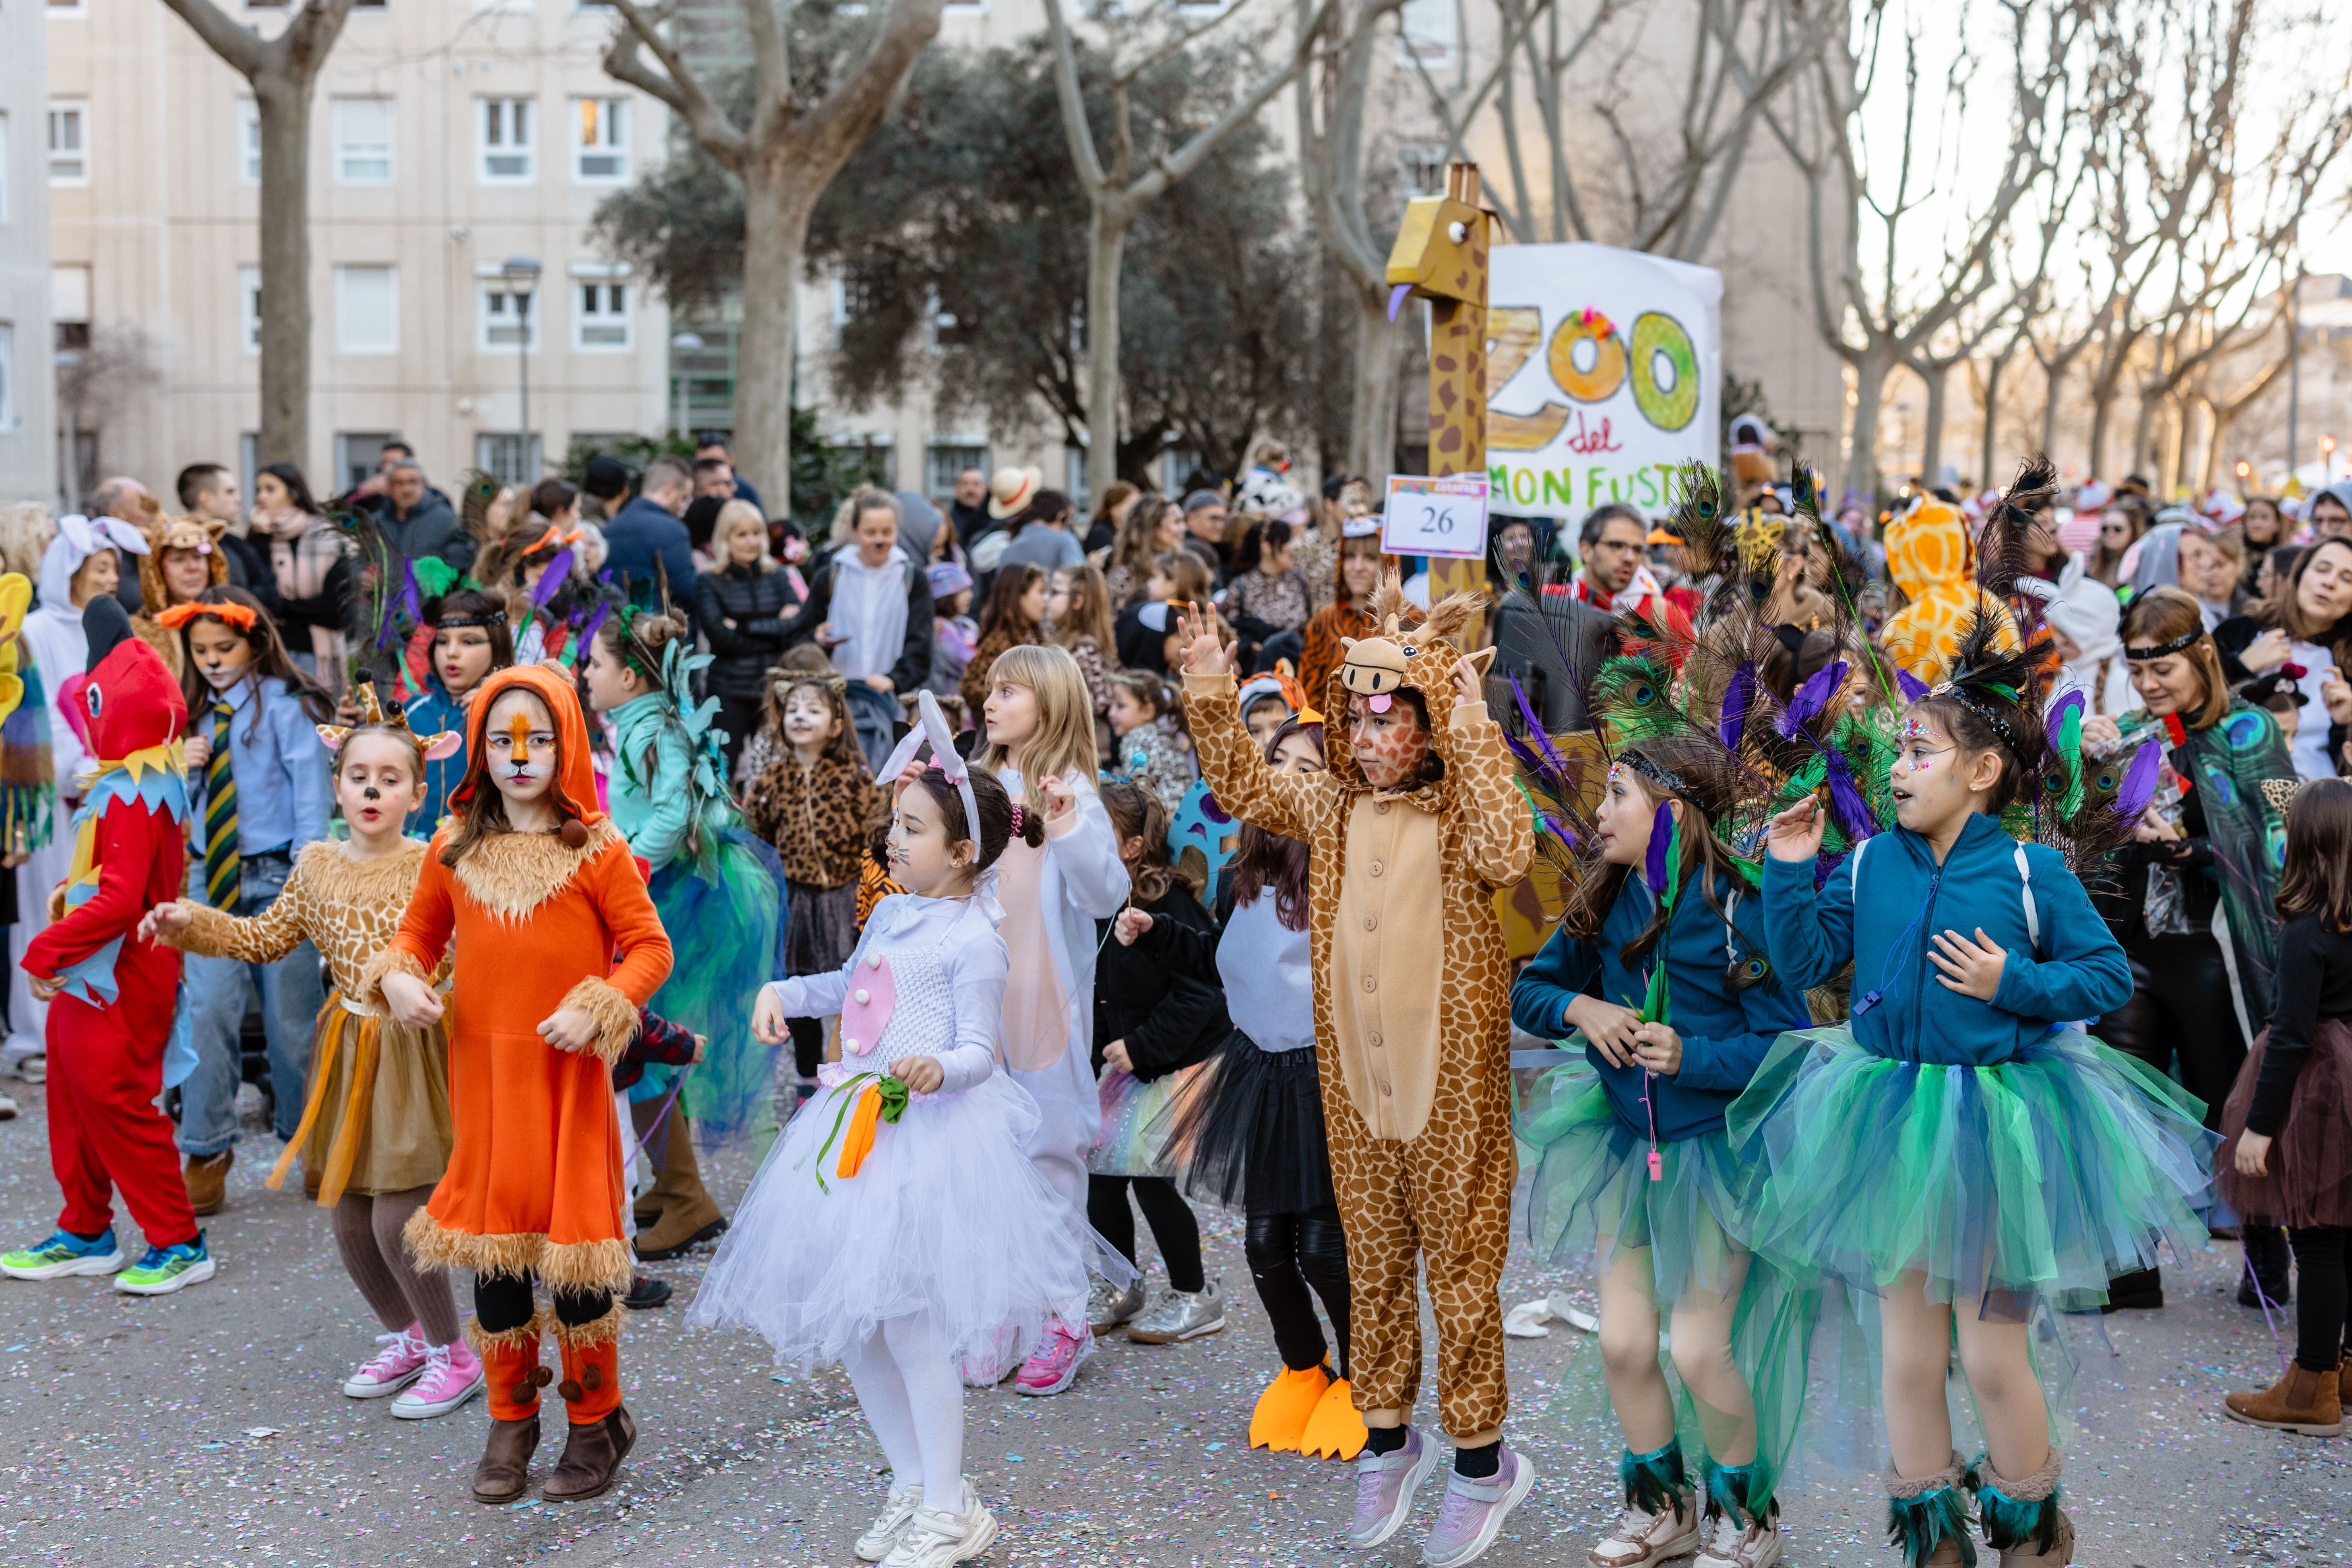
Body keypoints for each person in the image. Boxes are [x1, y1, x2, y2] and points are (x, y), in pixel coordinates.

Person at [1740, 614, 2213, 1568]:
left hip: (1996, 1130)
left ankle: (2031, 1536)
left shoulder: (2031, 871)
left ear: (1983, 771)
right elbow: (1802, 960)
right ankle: (1932, 1543)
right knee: (1907, 1357)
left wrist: (2013, 983)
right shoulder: (1867, 860)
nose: (1896, 769)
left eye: (1918, 752)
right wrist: (1787, 871)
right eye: (1896, 753)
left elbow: (2102, 977)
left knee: (1993, 1355)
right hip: (1886, 1123)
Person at [1176, 581, 1538, 1567]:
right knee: (1371, 1263)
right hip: (1356, 1091)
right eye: (1357, 718)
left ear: (1427, 720)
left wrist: (1470, 727)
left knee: (1460, 1273)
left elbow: (1509, 852)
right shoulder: (1329, 805)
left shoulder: (1460, 803)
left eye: (1390, 717)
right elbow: (1244, 787)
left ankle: (1482, 1463)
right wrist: (1208, 690)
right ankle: (1387, 1440)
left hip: (1447, 1091)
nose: (1369, 736)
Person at [692, 710, 1088, 1568]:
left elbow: (981, 1050)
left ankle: (950, 1507)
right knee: (859, 1328)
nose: (893, 840)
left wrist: (941, 1067)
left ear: (962, 851)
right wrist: (783, 991)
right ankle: (910, 1482)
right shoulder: (894, 914)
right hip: (855, 1130)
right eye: (896, 824)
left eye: (912, 828)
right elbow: (850, 984)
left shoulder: (974, 940)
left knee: (910, 1328)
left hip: (924, 1143)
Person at [369, 663, 674, 1503]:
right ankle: (512, 1419)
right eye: (501, 741)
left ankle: (596, 1420)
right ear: (479, 751)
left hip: (568, 1085)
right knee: (497, 1259)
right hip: (488, 1088)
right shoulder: (452, 848)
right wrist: (397, 978)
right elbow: (415, 936)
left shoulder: (599, 848)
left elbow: (650, 948)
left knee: (576, 1264)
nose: (519, 755)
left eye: (538, 739)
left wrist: (600, 1003)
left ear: (565, 744)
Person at [1511, 735, 1815, 1568]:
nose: (1598, 811)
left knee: (1696, 1347)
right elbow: (1532, 990)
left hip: (1717, 1157)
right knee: (1621, 1343)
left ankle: (1746, 1518)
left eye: (1617, 794)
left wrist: (1693, 1057)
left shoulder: (1739, 907)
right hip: (1627, 1149)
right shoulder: (1605, 895)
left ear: (1671, 812)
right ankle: (1662, 1509)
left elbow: (1785, 1045)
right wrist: (1581, 1009)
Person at [143, 695, 483, 1417]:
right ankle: (410, 1335)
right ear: (336, 787)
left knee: (398, 1214)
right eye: (359, 776)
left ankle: (454, 1354)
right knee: (349, 1216)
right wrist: (189, 921)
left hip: (420, 1049)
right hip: (352, 1047)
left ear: (417, 793)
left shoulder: (436, 862)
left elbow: (471, 947)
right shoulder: (317, 867)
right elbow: (263, 938)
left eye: (390, 778)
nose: (372, 790)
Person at [1129, 717, 1366, 1461]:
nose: (1288, 776)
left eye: (1308, 767)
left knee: (1325, 1248)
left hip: (1326, 1079)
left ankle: (1366, 1378)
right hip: (1260, 1074)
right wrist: (1159, 934)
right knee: (1264, 1245)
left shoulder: (1345, 868)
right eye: (1278, 761)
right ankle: (1303, 1368)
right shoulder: (1244, 876)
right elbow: (1224, 961)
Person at [2082, 586, 2301, 1310]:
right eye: (2136, 670)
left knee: (2229, 1107)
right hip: (2132, 949)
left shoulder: (2250, 730)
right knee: (2122, 1107)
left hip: (2217, 956)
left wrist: (2194, 850)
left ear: (2201, 654)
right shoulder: (2131, 732)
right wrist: (2085, 764)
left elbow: (2286, 837)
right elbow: (2084, 834)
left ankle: (2264, 1257)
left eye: (2162, 670)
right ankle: (2129, 1269)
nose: (2147, 684)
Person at [4, 598, 211, 1294]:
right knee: (70, 1093)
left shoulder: (134, 789)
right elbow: (115, 880)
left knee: (116, 1098)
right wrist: (71, 901)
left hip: (123, 970)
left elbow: (124, 900)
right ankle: (85, 1228)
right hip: (96, 966)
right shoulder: (126, 780)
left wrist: (46, 949)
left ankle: (179, 1240)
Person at [582, 609, 783, 1260]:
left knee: (640, 1043)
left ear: (631, 678)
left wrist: (626, 867)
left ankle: (688, 1195)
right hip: (662, 893)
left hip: (671, 900)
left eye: (595, 664)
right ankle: (672, 1183)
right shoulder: (641, 724)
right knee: (642, 1044)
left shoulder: (656, 731)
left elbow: (673, 813)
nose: (586, 674)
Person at [971, 643, 1132, 1394]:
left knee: (1049, 1162)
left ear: (1052, 703)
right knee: (985, 1162)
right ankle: (1003, 1314)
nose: (990, 701)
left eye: (1009, 691)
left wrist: (1066, 823)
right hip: (978, 1006)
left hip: (1045, 1010)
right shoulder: (975, 785)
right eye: (990, 689)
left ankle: (1064, 1318)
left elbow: (1105, 893)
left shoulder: (1071, 793)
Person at [160, 588, 335, 1215]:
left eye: (224, 647)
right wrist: (182, 766)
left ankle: (309, 1136)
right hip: (211, 878)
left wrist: (306, 877)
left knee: (292, 1017)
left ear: (255, 641)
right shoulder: (189, 713)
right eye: (200, 649)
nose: (212, 660)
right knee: (207, 1009)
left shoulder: (287, 704)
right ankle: (206, 1146)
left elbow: (311, 794)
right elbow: (172, 807)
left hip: (277, 874)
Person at [2218, 777, 2352, 1434]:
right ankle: (2345, 1369)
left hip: (2319, 1089)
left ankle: (2310, 1389)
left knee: (2318, 1240)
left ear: (2304, 842)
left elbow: (2291, 1036)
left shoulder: (2307, 929)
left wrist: (2258, 1127)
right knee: (2347, 1234)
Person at [1085, 779, 1229, 1342]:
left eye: (1097, 832)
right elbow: (1103, 992)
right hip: (1136, 1063)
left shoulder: (1167, 904)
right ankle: (1120, 1283)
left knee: (1149, 1177)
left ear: (1132, 847)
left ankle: (1195, 1295)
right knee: (1101, 1174)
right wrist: (1091, 1058)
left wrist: (1142, 1045)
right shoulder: (1101, 904)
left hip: (1183, 1061)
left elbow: (1203, 992)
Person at [742, 671, 887, 1110]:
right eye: (793, 710)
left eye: (813, 709)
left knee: (853, 984)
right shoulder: (773, 779)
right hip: (797, 901)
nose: (801, 717)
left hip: (846, 897)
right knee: (800, 980)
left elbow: (875, 829)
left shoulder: (854, 774)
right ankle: (808, 1076)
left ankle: (852, 1064)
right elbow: (757, 833)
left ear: (836, 724)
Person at [787, 490, 936, 772]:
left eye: (887, 532)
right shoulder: (832, 575)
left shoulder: (911, 578)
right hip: (835, 700)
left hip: (889, 702)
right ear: (855, 531)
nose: (880, 540)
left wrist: (895, 679)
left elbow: (921, 643)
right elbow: (799, 636)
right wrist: (818, 640)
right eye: (871, 532)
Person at [2214, 538, 2352, 783]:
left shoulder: (2348, 667)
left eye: (2347, 579)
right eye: (2322, 569)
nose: (2329, 583)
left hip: (2318, 798)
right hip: (2233, 788)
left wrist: (2346, 724)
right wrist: (2241, 667)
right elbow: (2196, 710)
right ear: (2299, 575)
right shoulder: (2238, 634)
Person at [696, 499, 800, 777]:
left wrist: (741, 627)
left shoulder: (777, 575)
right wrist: (775, 628)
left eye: (756, 533)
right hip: (729, 690)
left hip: (772, 689)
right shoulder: (710, 581)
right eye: (742, 534)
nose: (751, 541)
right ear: (725, 538)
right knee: (721, 770)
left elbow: (795, 626)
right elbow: (720, 637)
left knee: (776, 773)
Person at [403, 591, 511, 832]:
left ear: (498, 645)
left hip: (484, 844)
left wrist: (499, 711)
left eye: (469, 642)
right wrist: (357, 728)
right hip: (413, 846)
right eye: (442, 641)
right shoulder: (413, 710)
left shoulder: (511, 710)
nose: (452, 652)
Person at [251, 462, 354, 687]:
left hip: (318, 654)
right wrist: (261, 536)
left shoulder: (328, 536)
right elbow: (258, 597)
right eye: (259, 490)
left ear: (293, 493)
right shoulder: (259, 538)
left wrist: (283, 608)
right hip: (273, 653)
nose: (261, 497)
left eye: (270, 489)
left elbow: (337, 607)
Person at [2043, 553, 2140, 719]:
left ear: (2091, 635)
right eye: (2056, 631)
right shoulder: (2069, 675)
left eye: (2065, 634)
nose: (2057, 642)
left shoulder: (2121, 683)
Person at [131, 512, 231, 673]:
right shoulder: (139, 635)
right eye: (178, 559)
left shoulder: (232, 622)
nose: (192, 568)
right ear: (157, 571)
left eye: (198, 557)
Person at [602, 457, 698, 623]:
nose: (685, 506)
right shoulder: (673, 529)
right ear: (669, 491)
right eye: (684, 498)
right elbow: (688, 591)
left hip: (613, 628)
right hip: (657, 629)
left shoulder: (609, 528)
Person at [1045, 564, 1116, 757]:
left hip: (1082, 751)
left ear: (1077, 602)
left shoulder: (1083, 649)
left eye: (1055, 592)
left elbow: (1101, 700)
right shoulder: (1057, 637)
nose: (1046, 598)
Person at [1224, 518, 1312, 674]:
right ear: (1267, 547)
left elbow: (1309, 626)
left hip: (1300, 670)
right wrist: (1249, 646)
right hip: (1260, 675)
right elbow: (1229, 632)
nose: (1295, 546)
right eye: (1287, 541)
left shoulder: (1299, 582)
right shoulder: (1241, 587)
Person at [959, 564, 1048, 717]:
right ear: (1019, 595)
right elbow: (973, 691)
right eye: (1041, 592)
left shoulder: (1033, 637)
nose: (1046, 599)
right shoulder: (999, 643)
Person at [1106, 671, 1193, 814]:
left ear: (1147, 712)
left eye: (1121, 706)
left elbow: (1137, 793)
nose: (1111, 713)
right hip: (1184, 816)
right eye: (1112, 705)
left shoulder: (1137, 738)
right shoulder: (1161, 736)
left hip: (1163, 819)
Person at [362, 460, 472, 572]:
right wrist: (363, 575)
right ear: (389, 487)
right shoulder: (375, 523)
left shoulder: (447, 520)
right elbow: (360, 561)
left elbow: (460, 562)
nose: (407, 490)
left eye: (413, 482)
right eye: (399, 483)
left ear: (423, 484)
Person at [1569, 505, 1657, 613]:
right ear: (1587, 551)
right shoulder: (1554, 601)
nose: (1630, 558)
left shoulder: (1663, 613)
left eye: (1637, 550)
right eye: (1617, 546)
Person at [1101, 491, 1181, 609]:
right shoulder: (1124, 576)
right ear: (1152, 526)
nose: (1184, 528)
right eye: (1177, 522)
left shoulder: (1182, 563)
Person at [994, 489, 1085, 577]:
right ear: (1061, 517)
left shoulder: (1008, 550)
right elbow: (1080, 578)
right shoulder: (1065, 540)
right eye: (1071, 517)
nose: (1071, 524)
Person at [926, 563, 978, 701]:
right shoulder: (940, 629)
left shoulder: (965, 626)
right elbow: (967, 663)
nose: (970, 595)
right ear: (946, 596)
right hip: (945, 702)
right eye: (964, 590)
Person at [692, 434, 765, 516]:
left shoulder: (744, 490)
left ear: (731, 459)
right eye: (702, 463)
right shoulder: (690, 488)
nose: (709, 469)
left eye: (718, 462)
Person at [1180, 490, 1231, 586]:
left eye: (1222, 519)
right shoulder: (1184, 553)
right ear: (1191, 517)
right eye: (1214, 518)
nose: (1220, 526)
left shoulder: (1217, 550)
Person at [1083, 480, 1139, 556]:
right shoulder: (1102, 533)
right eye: (1131, 505)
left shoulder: (1125, 529)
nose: (1137, 510)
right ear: (1114, 508)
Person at [947, 467, 992, 553]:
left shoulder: (996, 521)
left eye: (976, 484)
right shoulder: (948, 522)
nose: (971, 490)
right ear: (956, 489)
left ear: (986, 489)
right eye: (965, 484)